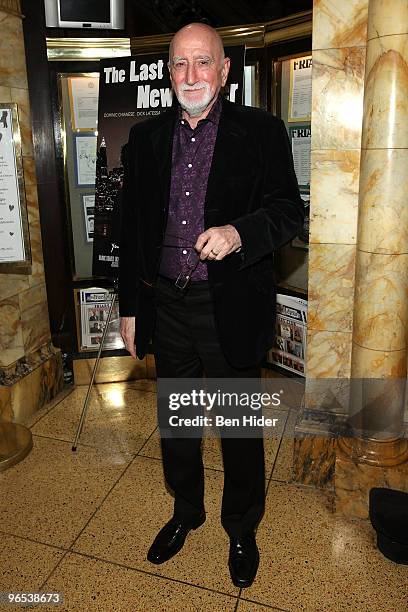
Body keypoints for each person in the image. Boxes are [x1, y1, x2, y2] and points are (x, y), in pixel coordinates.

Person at [119, 22, 304, 588]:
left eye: (203, 63)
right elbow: (132, 230)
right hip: (166, 304)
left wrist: (238, 233)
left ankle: (241, 526)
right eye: (180, 64)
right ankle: (186, 511)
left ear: (224, 72)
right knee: (177, 423)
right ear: (168, 72)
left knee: (236, 426)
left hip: (229, 303)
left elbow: (289, 213)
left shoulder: (262, 133)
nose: (191, 75)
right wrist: (130, 307)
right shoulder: (145, 140)